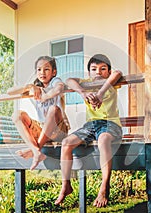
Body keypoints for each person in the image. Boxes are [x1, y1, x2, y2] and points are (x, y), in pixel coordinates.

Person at [55, 54, 123, 208]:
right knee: (66, 142)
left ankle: (104, 186)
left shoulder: (111, 82)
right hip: (91, 125)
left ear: (108, 71)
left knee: (103, 140)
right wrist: (82, 92)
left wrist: (100, 93)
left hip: (110, 124)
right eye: (94, 69)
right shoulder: (87, 83)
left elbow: (118, 73)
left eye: (102, 69)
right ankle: (66, 185)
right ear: (89, 73)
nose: (98, 72)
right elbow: (69, 80)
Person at [8, 56, 70, 170]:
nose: (42, 72)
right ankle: (36, 151)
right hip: (43, 129)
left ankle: (35, 150)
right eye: (39, 69)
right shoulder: (35, 88)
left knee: (53, 109)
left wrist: (45, 96)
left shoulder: (54, 82)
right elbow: (9, 92)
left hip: (58, 129)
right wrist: (30, 86)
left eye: (46, 69)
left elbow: (59, 88)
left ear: (53, 72)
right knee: (17, 115)